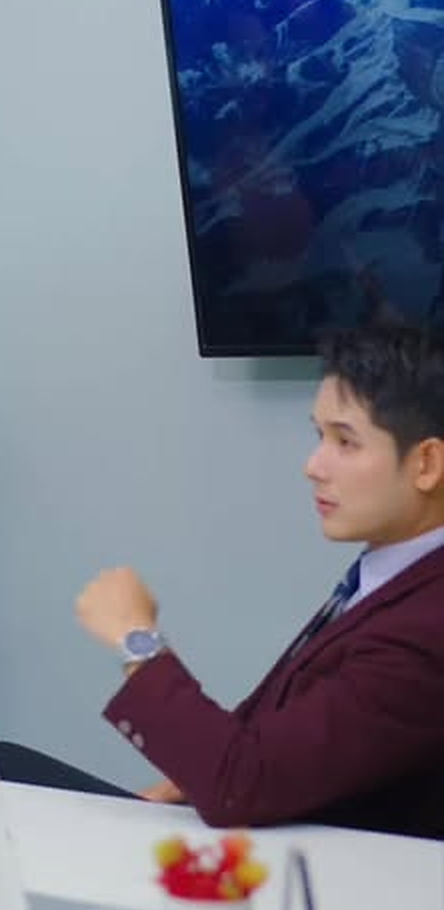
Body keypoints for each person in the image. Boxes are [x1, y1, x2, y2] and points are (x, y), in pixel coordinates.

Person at [71, 325, 444, 838]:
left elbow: (243, 783)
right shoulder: (392, 575)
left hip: (326, 877)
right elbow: (270, 740)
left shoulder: (427, 626)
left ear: (427, 463)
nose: (314, 466)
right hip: (274, 841)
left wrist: (136, 639)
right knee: (5, 768)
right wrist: (195, 776)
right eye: (319, 437)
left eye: (345, 442)